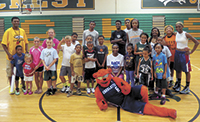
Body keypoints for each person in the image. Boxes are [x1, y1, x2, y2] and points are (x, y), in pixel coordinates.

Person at [1, 17, 28, 94]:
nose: (16, 22)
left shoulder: (22, 31)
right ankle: (11, 86)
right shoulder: (8, 31)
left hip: (22, 57)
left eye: (17, 21)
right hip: (12, 57)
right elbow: (3, 44)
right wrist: (9, 54)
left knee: (22, 72)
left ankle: (22, 85)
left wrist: (26, 52)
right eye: (14, 21)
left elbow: (26, 42)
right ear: (12, 22)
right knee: (10, 72)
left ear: (19, 22)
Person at [173, 21, 199, 94]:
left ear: (182, 27)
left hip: (184, 54)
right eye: (176, 27)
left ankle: (187, 87)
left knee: (186, 71)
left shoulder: (186, 34)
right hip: (177, 53)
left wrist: (191, 52)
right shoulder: (175, 34)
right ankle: (178, 84)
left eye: (179, 26)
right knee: (178, 70)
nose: (178, 28)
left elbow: (197, 42)